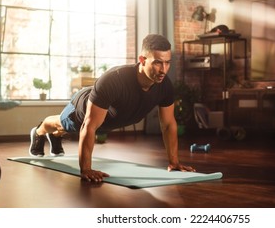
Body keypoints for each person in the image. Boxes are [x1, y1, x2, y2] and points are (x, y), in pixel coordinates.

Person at [29, 34, 195, 182]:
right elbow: (90, 125)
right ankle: (39, 131)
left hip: (107, 120)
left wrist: (174, 162)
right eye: (157, 63)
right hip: (83, 108)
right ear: (142, 60)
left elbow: (168, 124)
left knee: (69, 129)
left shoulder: (164, 86)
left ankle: (56, 137)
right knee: (63, 124)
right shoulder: (114, 80)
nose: (164, 70)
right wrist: (86, 169)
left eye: (167, 63)